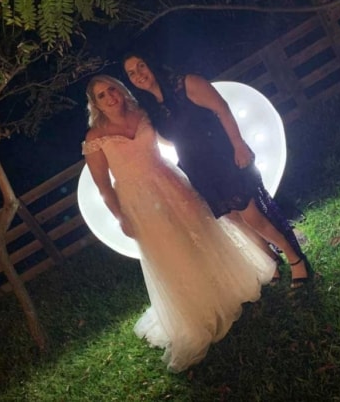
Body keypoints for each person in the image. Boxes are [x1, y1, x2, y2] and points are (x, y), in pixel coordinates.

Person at [82, 74, 276, 373]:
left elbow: (175, 137)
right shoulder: (95, 139)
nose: (110, 96)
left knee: (204, 235)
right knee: (173, 253)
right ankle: (197, 312)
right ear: (95, 104)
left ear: (121, 90)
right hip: (139, 202)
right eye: (101, 95)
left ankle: (226, 288)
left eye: (112, 89)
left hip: (173, 183)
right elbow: (103, 186)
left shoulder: (144, 113)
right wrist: (121, 216)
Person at [122, 53, 312, 288]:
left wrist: (239, 145)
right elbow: (168, 139)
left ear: (151, 63)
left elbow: (222, 109)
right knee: (234, 218)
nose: (139, 74)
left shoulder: (186, 83)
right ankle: (270, 260)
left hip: (224, 156)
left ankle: (296, 259)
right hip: (197, 168)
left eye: (141, 65)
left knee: (252, 215)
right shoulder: (151, 108)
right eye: (132, 73)